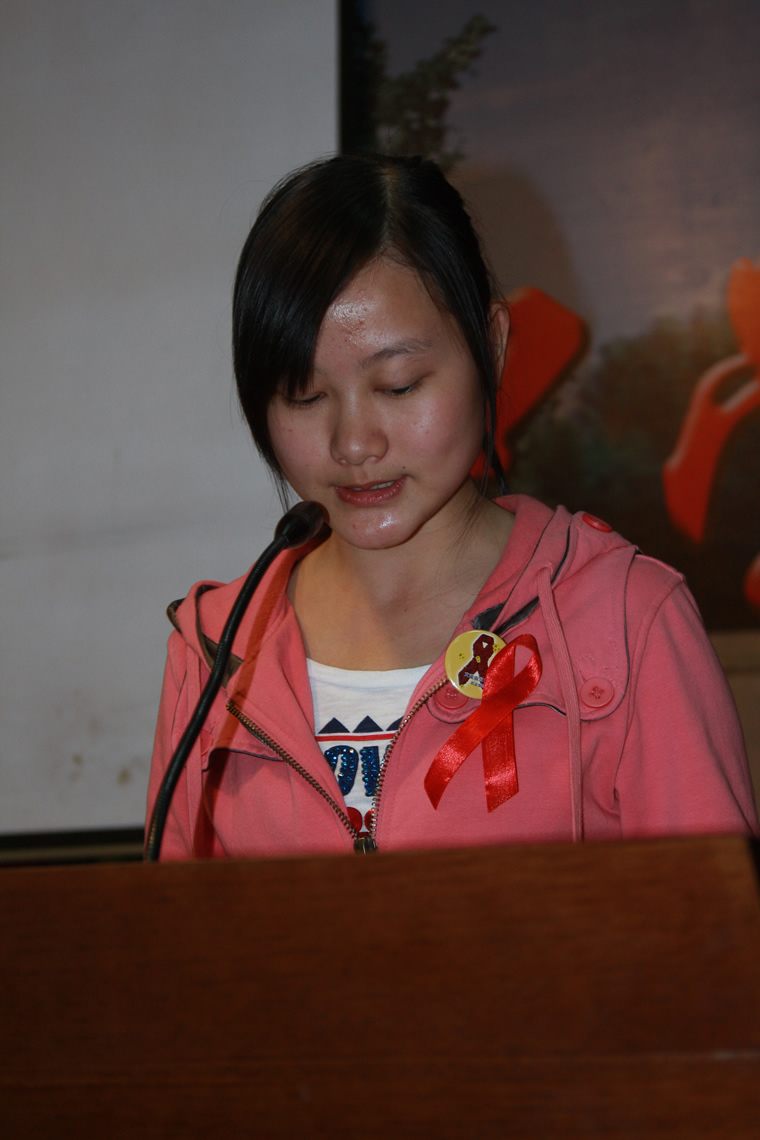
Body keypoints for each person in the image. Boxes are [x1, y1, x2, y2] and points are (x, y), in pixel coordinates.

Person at [146, 154, 758, 859]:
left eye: (399, 385)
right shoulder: (213, 652)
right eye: (304, 395)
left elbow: (713, 924)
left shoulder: (625, 619)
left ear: (490, 347)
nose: (354, 443)